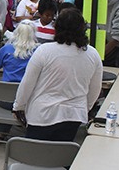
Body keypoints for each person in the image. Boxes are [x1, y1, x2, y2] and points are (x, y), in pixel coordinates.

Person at [13, 8, 102, 141]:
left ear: (57, 27)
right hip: (73, 115)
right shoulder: (93, 55)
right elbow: (95, 90)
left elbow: (27, 83)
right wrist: (85, 108)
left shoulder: (44, 51)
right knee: (60, 155)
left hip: (41, 114)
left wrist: (18, 106)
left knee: (34, 154)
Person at [0, 21, 39, 141]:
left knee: (11, 98)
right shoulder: (38, 52)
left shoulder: (7, 49)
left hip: (4, 98)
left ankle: (0, 133)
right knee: (20, 100)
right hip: (28, 100)